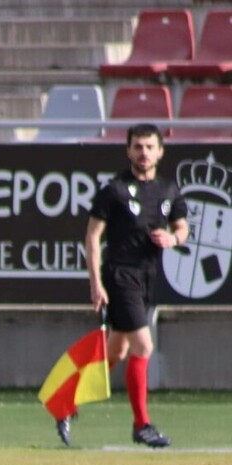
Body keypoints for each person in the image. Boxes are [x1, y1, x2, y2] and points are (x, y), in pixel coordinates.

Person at [67, 123, 189, 448]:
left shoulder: (168, 190)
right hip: (120, 276)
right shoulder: (115, 190)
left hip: (147, 276)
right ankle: (142, 425)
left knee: (116, 351)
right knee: (144, 347)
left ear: (160, 152)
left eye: (149, 147)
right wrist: (96, 283)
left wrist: (173, 238)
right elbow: (92, 236)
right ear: (128, 150)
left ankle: (66, 401)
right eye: (137, 146)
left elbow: (182, 227)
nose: (143, 153)